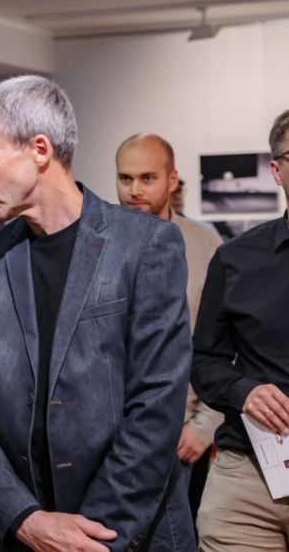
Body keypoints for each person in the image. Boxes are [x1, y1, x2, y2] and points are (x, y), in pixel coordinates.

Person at [0, 75, 195, 552]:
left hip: (126, 534)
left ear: (40, 150)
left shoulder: (145, 244)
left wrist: (88, 538)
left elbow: (157, 407)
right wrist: (25, 519)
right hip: (15, 533)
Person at [191, 110, 289, 551]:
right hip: (250, 478)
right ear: (276, 170)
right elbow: (203, 359)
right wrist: (243, 392)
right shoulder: (235, 259)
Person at [115, 133, 224, 516]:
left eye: (147, 178)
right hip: (112, 436)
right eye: (125, 178)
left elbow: (232, 343)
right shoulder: (96, 245)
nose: (135, 190)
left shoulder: (206, 246)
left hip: (183, 435)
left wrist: (205, 426)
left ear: (172, 179)